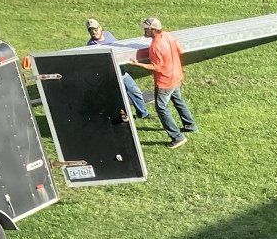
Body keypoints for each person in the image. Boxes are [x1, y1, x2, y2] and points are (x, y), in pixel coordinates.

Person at [130, 16, 196, 150]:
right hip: (176, 76)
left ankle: (177, 138)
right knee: (178, 100)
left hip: (164, 82)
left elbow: (157, 67)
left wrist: (138, 64)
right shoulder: (168, 35)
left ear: (153, 30)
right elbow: (180, 50)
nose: (144, 30)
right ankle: (190, 125)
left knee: (161, 108)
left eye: (146, 28)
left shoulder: (155, 47)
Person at [84, 17, 148, 120]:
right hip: (110, 76)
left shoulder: (108, 34)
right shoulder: (91, 45)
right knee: (118, 98)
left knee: (135, 92)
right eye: (91, 31)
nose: (94, 32)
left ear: (101, 28)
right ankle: (123, 117)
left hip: (122, 71)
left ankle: (143, 114)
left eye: (95, 29)